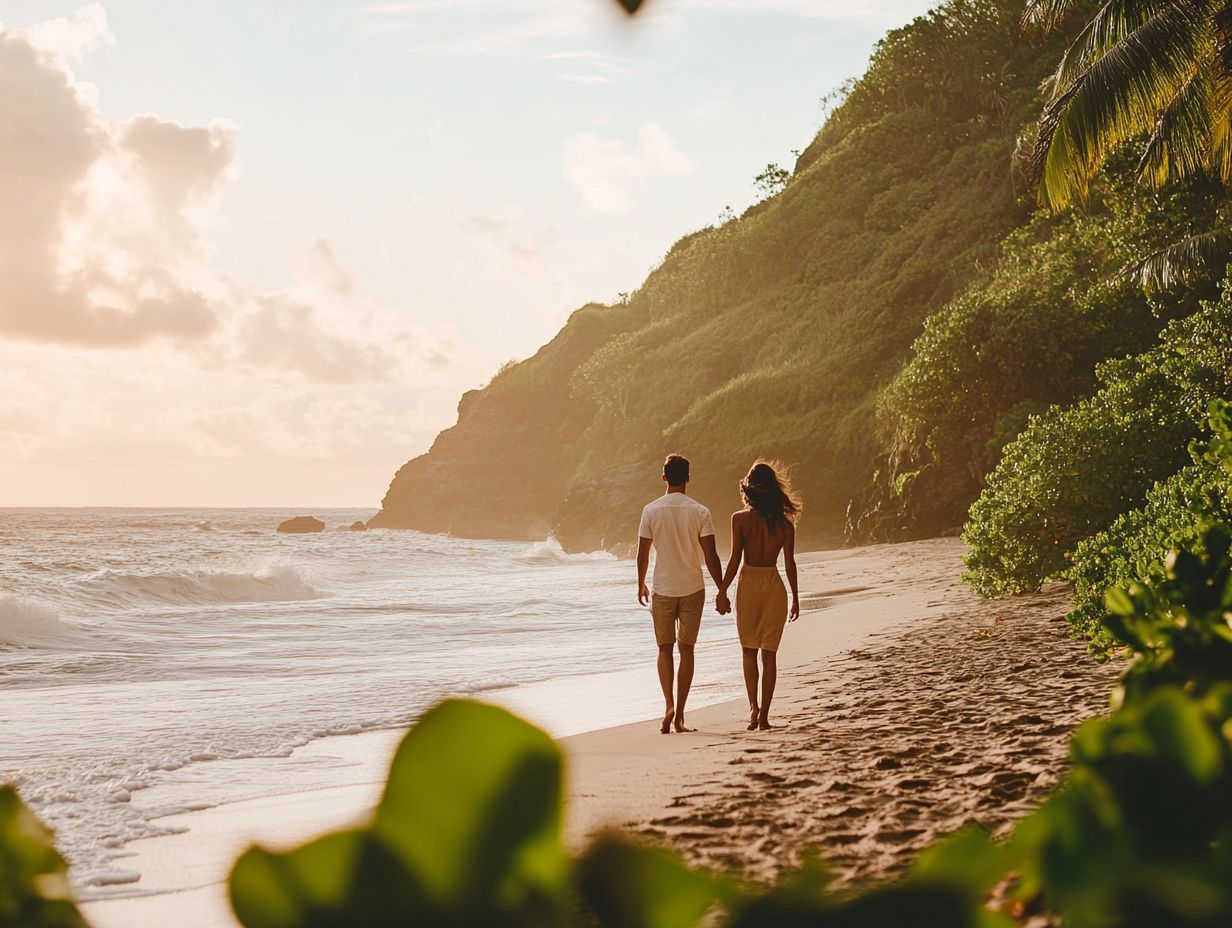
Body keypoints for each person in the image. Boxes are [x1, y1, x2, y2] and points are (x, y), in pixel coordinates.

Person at [637, 453, 725, 734]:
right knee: (686, 649)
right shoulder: (700, 511)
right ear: (688, 478)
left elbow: (643, 553)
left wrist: (640, 583)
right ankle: (681, 716)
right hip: (692, 588)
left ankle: (668, 704)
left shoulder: (650, 510)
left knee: (664, 648)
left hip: (662, 588)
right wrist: (722, 589)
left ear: (664, 477)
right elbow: (711, 556)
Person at [716, 461, 801, 731]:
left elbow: (734, 558)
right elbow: (789, 564)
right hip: (774, 588)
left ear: (750, 488)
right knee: (769, 655)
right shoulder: (785, 525)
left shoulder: (739, 520)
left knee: (749, 651)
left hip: (748, 586)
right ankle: (764, 716)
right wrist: (796, 598)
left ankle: (753, 709)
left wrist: (722, 590)